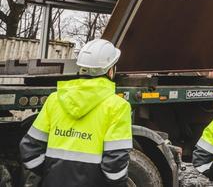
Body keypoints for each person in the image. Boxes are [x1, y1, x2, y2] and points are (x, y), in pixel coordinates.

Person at [19, 39, 132, 186]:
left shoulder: (55, 99)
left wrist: (51, 174)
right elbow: (115, 168)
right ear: (110, 71)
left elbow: (29, 149)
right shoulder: (118, 106)